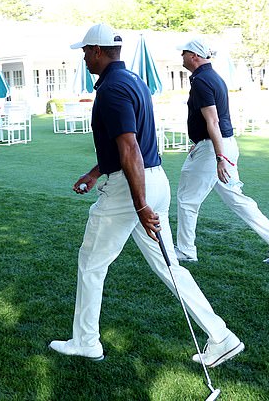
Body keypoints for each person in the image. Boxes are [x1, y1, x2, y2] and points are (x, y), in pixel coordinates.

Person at [49, 24, 244, 368]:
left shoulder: (112, 89)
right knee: (170, 267)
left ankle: (86, 342)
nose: (83, 57)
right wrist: (96, 172)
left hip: (130, 190)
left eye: (84, 51)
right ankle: (221, 337)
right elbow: (128, 144)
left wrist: (139, 205)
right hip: (152, 182)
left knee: (91, 264)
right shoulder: (134, 81)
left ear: (96, 50)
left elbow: (130, 148)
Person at [174, 38, 269, 266]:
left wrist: (218, 157)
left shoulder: (201, 81)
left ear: (194, 56)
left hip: (214, 149)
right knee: (236, 199)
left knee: (187, 199)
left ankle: (186, 250)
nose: (181, 57)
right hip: (222, 145)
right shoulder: (213, 78)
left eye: (183, 53)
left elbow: (213, 121)